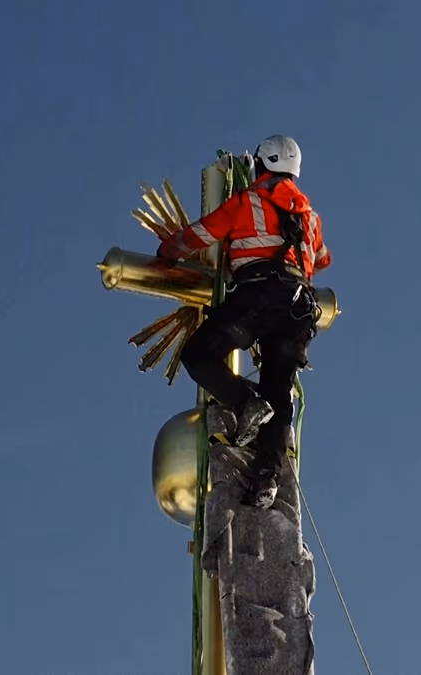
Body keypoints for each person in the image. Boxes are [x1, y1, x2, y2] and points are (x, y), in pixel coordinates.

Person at [156, 135, 332, 508]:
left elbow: (202, 234)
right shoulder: (310, 216)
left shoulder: (249, 201)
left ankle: (245, 401)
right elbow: (322, 258)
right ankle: (267, 479)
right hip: (299, 311)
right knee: (280, 394)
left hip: (258, 298)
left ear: (262, 164)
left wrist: (169, 251)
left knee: (200, 354)